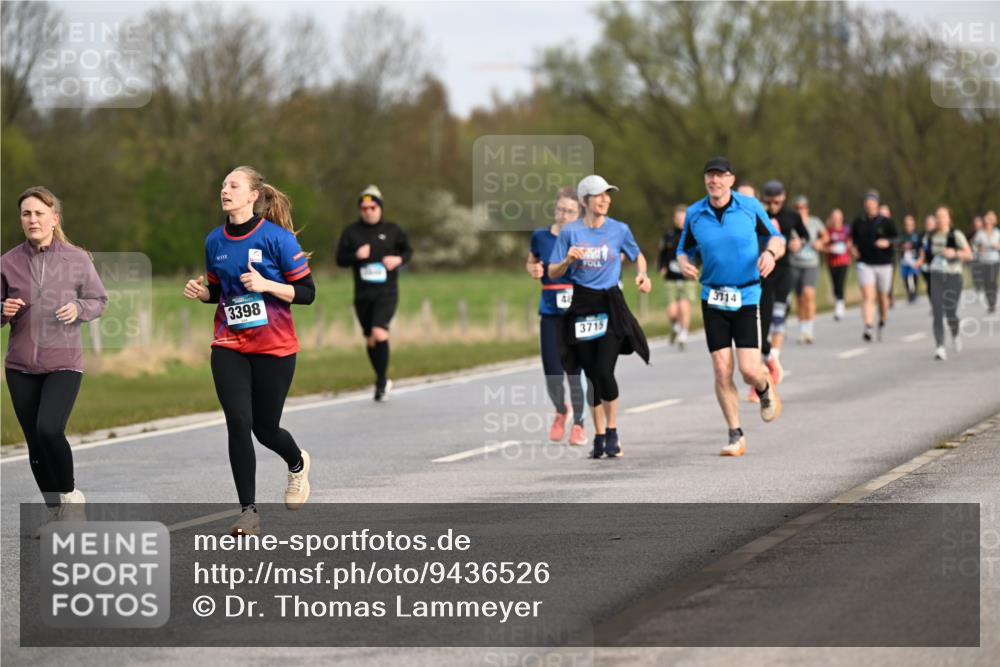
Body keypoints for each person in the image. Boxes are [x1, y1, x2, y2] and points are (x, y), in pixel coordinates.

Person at [183, 166, 315, 536]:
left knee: (265, 429)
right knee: (238, 422)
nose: (225, 190)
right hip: (229, 344)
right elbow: (217, 292)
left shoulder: (278, 239)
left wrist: (267, 284)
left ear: (253, 195)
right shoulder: (214, 241)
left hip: (275, 347)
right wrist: (202, 292)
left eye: (233, 185)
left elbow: (307, 293)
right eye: (223, 184)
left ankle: (297, 462)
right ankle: (248, 512)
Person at [2, 187, 108, 525]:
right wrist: (2, 310)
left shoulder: (76, 258)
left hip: (63, 363)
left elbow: (98, 301)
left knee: (49, 429)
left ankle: (71, 496)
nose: (32, 219)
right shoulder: (7, 262)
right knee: (34, 443)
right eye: (26, 214)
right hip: (20, 365)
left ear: (54, 219)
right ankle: (55, 512)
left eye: (38, 213)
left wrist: (77, 307)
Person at [677, 157, 785, 457]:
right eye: (710, 176)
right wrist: (684, 264)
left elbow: (777, 238)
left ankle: (764, 387)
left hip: (747, 296)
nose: (715, 181)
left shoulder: (749, 207)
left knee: (749, 370)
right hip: (713, 297)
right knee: (722, 368)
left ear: (731, 180)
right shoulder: (694, 213)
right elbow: (682, 250)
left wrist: (771, 255)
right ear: (705, 181)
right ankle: (735, 433)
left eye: (720, 176)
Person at [548, 175, 651, 459]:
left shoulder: (619, 230)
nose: (605, 199)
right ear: (584, 201)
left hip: (610, 303)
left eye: (608, 194)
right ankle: (600, 434)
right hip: (581, 305)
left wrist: (642, 274)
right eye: (598, 195)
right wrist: (568, 260)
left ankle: (613, 431)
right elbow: (552, 271)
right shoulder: (570, 232)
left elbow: (637, 256)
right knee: (592, 375)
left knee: (605, 371)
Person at [335, 185, 413, 401]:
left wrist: (398, 260)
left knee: (379, 333)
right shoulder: (351, 232)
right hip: (362, 294)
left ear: (380, 208)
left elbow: (408, 251)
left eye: (372, 207)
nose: (368, 211)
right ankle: (382, 379)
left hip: (386, 292)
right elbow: (340, 259)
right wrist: (356, 255)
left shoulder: (393, 230)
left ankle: (381, 382)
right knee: (371, 339)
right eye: (364, 207)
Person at [526, 186, 587, 446]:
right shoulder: (541, 236)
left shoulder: (584, 237)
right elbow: (531, 261)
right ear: (554, 209)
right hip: (550, 310)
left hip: (577, 310)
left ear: (579, 213)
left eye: (571, 211)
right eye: (561, 210)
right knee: (552, 371)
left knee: (574, 371)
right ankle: (561, 411)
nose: (564, 215)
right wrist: (533, 269)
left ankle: (579, 425)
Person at [759, 180, 808, 385]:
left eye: (776, 202)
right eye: (769, 202)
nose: (773, 207)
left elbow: (804, 235)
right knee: (764, 317)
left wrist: (799, 243)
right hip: (762, 271)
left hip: (784, 269)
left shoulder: (791, 216)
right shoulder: (758, 216)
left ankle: (775, 357)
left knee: (779, 314)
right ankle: (766, 355)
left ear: (783, 197)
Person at [922, 206, 972, 360]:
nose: (939, 219)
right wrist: (920, 262)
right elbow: (924, 254)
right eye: (937, 216)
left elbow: (969, 254)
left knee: (950, 312)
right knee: (937, 312)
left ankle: (955, 333)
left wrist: (955, 253)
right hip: (935, 276)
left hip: (953, 276)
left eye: (943, 216)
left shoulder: (955, 235)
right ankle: (940, 346)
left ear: (949, 218)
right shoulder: (930, 236)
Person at [851, 190, 897, 341]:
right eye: (867, 202)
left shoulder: (886, 222)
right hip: (865, 263)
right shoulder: (858, 222)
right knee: (868, 296)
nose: (869, 205)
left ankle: (882, 320)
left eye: (872, 202)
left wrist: (888, 242)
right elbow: (851, 241)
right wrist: (853, 250)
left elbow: (898, 239)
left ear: (877, 204)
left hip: (884, 263)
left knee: (883, 297)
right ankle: (868, 326)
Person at [658, 204, 699, 350]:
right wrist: (661, 267)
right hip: (671, 277)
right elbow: (662, 254)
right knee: (672, 311)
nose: (680, 221)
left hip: (687, 277)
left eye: (683, 218)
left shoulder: (693, 235)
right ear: (674, 219)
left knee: (684, 305)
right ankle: (676, 326)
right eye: (678, 218)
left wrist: (696, 266)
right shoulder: (668, 236)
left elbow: (700, 254)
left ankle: (684, 333)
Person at [789, 195, 829, 343]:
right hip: (795, 264)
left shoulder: (814, 222)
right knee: (799, 298)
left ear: (807, 208)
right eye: (798, 208)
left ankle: (810, 330)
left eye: (803, 207)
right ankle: (803, 329)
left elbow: (826, 237)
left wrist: (820, 242)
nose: (801, 210)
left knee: (809, 293)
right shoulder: (791, 222)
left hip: (811, 264)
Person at [825, 208, 852, 321]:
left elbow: (850, 242)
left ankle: (840, 305)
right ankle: (838, 302)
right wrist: (830, 248)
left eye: (838, 218)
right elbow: (823, 244)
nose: (836, 220)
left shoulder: (846, 229)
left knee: (841, 282)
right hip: (832, 261)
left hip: (844, 260)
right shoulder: (828, 230)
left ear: (842, 218)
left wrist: (846, 247)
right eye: (834, 218)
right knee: (834, 283)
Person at [971, 210, 999, 314]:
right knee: (986, 283)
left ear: (993, 221)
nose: (988, 222)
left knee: (993, 281)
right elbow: (974, 245)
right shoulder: (980, 233)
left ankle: (993, 302)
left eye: (990, 220)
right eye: (986, 220)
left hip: (994, 260)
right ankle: (990, 302)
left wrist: (997, 246)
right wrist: (979, 249)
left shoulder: (997, 232)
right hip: (984, 261)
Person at [898, 214, 923, 304]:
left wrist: (920, 257)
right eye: (907, 224)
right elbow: (897, 245)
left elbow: (920, 246)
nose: (909, 226)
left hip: (914, 259)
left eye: (910, 224)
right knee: (905, 277)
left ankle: (914, 291)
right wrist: (902, 247)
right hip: (904, 259)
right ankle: (909, 292)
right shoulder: (901, 235)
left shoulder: (917, 235)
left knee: (914, 274)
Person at [919, 214, 937, 298]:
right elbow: (919, 248)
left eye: (930, 223)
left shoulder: (938, 234)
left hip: (937, 262)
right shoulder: (922, 235)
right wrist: (921, 259)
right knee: (929, 285)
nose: (928, 225)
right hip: (926, 264)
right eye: (927, 223)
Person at [970, 215, 986, 302]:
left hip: (984, 258)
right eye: (976, 223)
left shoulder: (984, 233)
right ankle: (977, 290)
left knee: (983, 274)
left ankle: (984, 291)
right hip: (974, 257)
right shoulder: (972, 234)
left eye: (979, 223)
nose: (977, 225)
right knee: (975, 275)